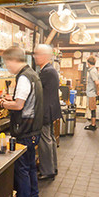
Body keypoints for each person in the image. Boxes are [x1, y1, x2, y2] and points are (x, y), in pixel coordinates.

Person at [0, 46, 43, 197]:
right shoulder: (32, 74)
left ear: (12, 60)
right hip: (33, 129)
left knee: (22, 169)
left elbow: (19, 105)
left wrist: (0, 103)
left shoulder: (24, 77)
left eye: (6, 62)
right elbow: (24, 99)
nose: (7, 66)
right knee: (31, 167)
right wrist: (9, 98)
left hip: (25, 130)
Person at [34, 44, 62, 180]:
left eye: (37, 54)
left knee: (45, 141)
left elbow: (35, 90)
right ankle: (52, 167)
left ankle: (47, 171)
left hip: (45, 111)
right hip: (51, 110)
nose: (34, 57)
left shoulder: (47, 72)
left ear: (44, 56)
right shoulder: (51, 70)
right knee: (50, 140)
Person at [85, 56, 99, 131]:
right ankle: (93, 124)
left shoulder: (92, 71)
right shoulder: (94, 70)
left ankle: (93, 125)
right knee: (92, 109)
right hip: (92, 93)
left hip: (92, 93)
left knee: (92, 109)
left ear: (88, 63)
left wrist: (98, 91)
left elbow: (97, 82)